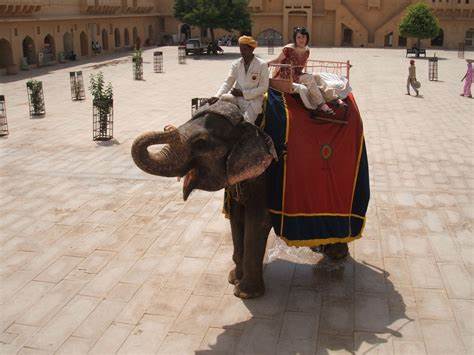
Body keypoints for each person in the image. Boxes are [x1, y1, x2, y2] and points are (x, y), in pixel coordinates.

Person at [268, 27, 335, 114]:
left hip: (297, 75)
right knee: (308, 78)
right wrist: (264, 64)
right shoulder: (289, 48)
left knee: (317, 76)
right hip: (285, 77)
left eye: (303, 37)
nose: (301, 39)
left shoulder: (307, 50)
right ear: (295, 38)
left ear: (307, 38)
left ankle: (333, 97)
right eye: (298, 37)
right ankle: (321, 105)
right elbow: (277, 60)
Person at [208, 35, 269, 124]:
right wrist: (217, 96)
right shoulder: (236, 64)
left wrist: (243, 94)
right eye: (240, 49)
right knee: (222, 100)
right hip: (236, 98)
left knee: (246, 123)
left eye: (244, 49)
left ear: (251, 49)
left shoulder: (262, 65)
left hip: (253, 102)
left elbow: (264, 88)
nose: (242, 52)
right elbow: (228, 83)